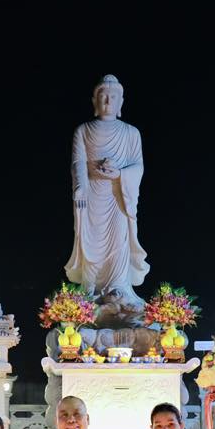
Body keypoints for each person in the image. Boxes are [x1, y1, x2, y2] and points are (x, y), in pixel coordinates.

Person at [64, 74, 150, 313]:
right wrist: (80, 187)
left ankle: (119, 288)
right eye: (103, 96)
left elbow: (138, 166)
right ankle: (89, 291)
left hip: (118, 196)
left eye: (113, 96)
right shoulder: (83, 130)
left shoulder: (131, 133)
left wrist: (119, 174)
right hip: (92, 195)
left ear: (121, 102)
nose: (108, 101)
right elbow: (78, 163)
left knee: (119, 241)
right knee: (89, 241)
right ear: (94, 100)